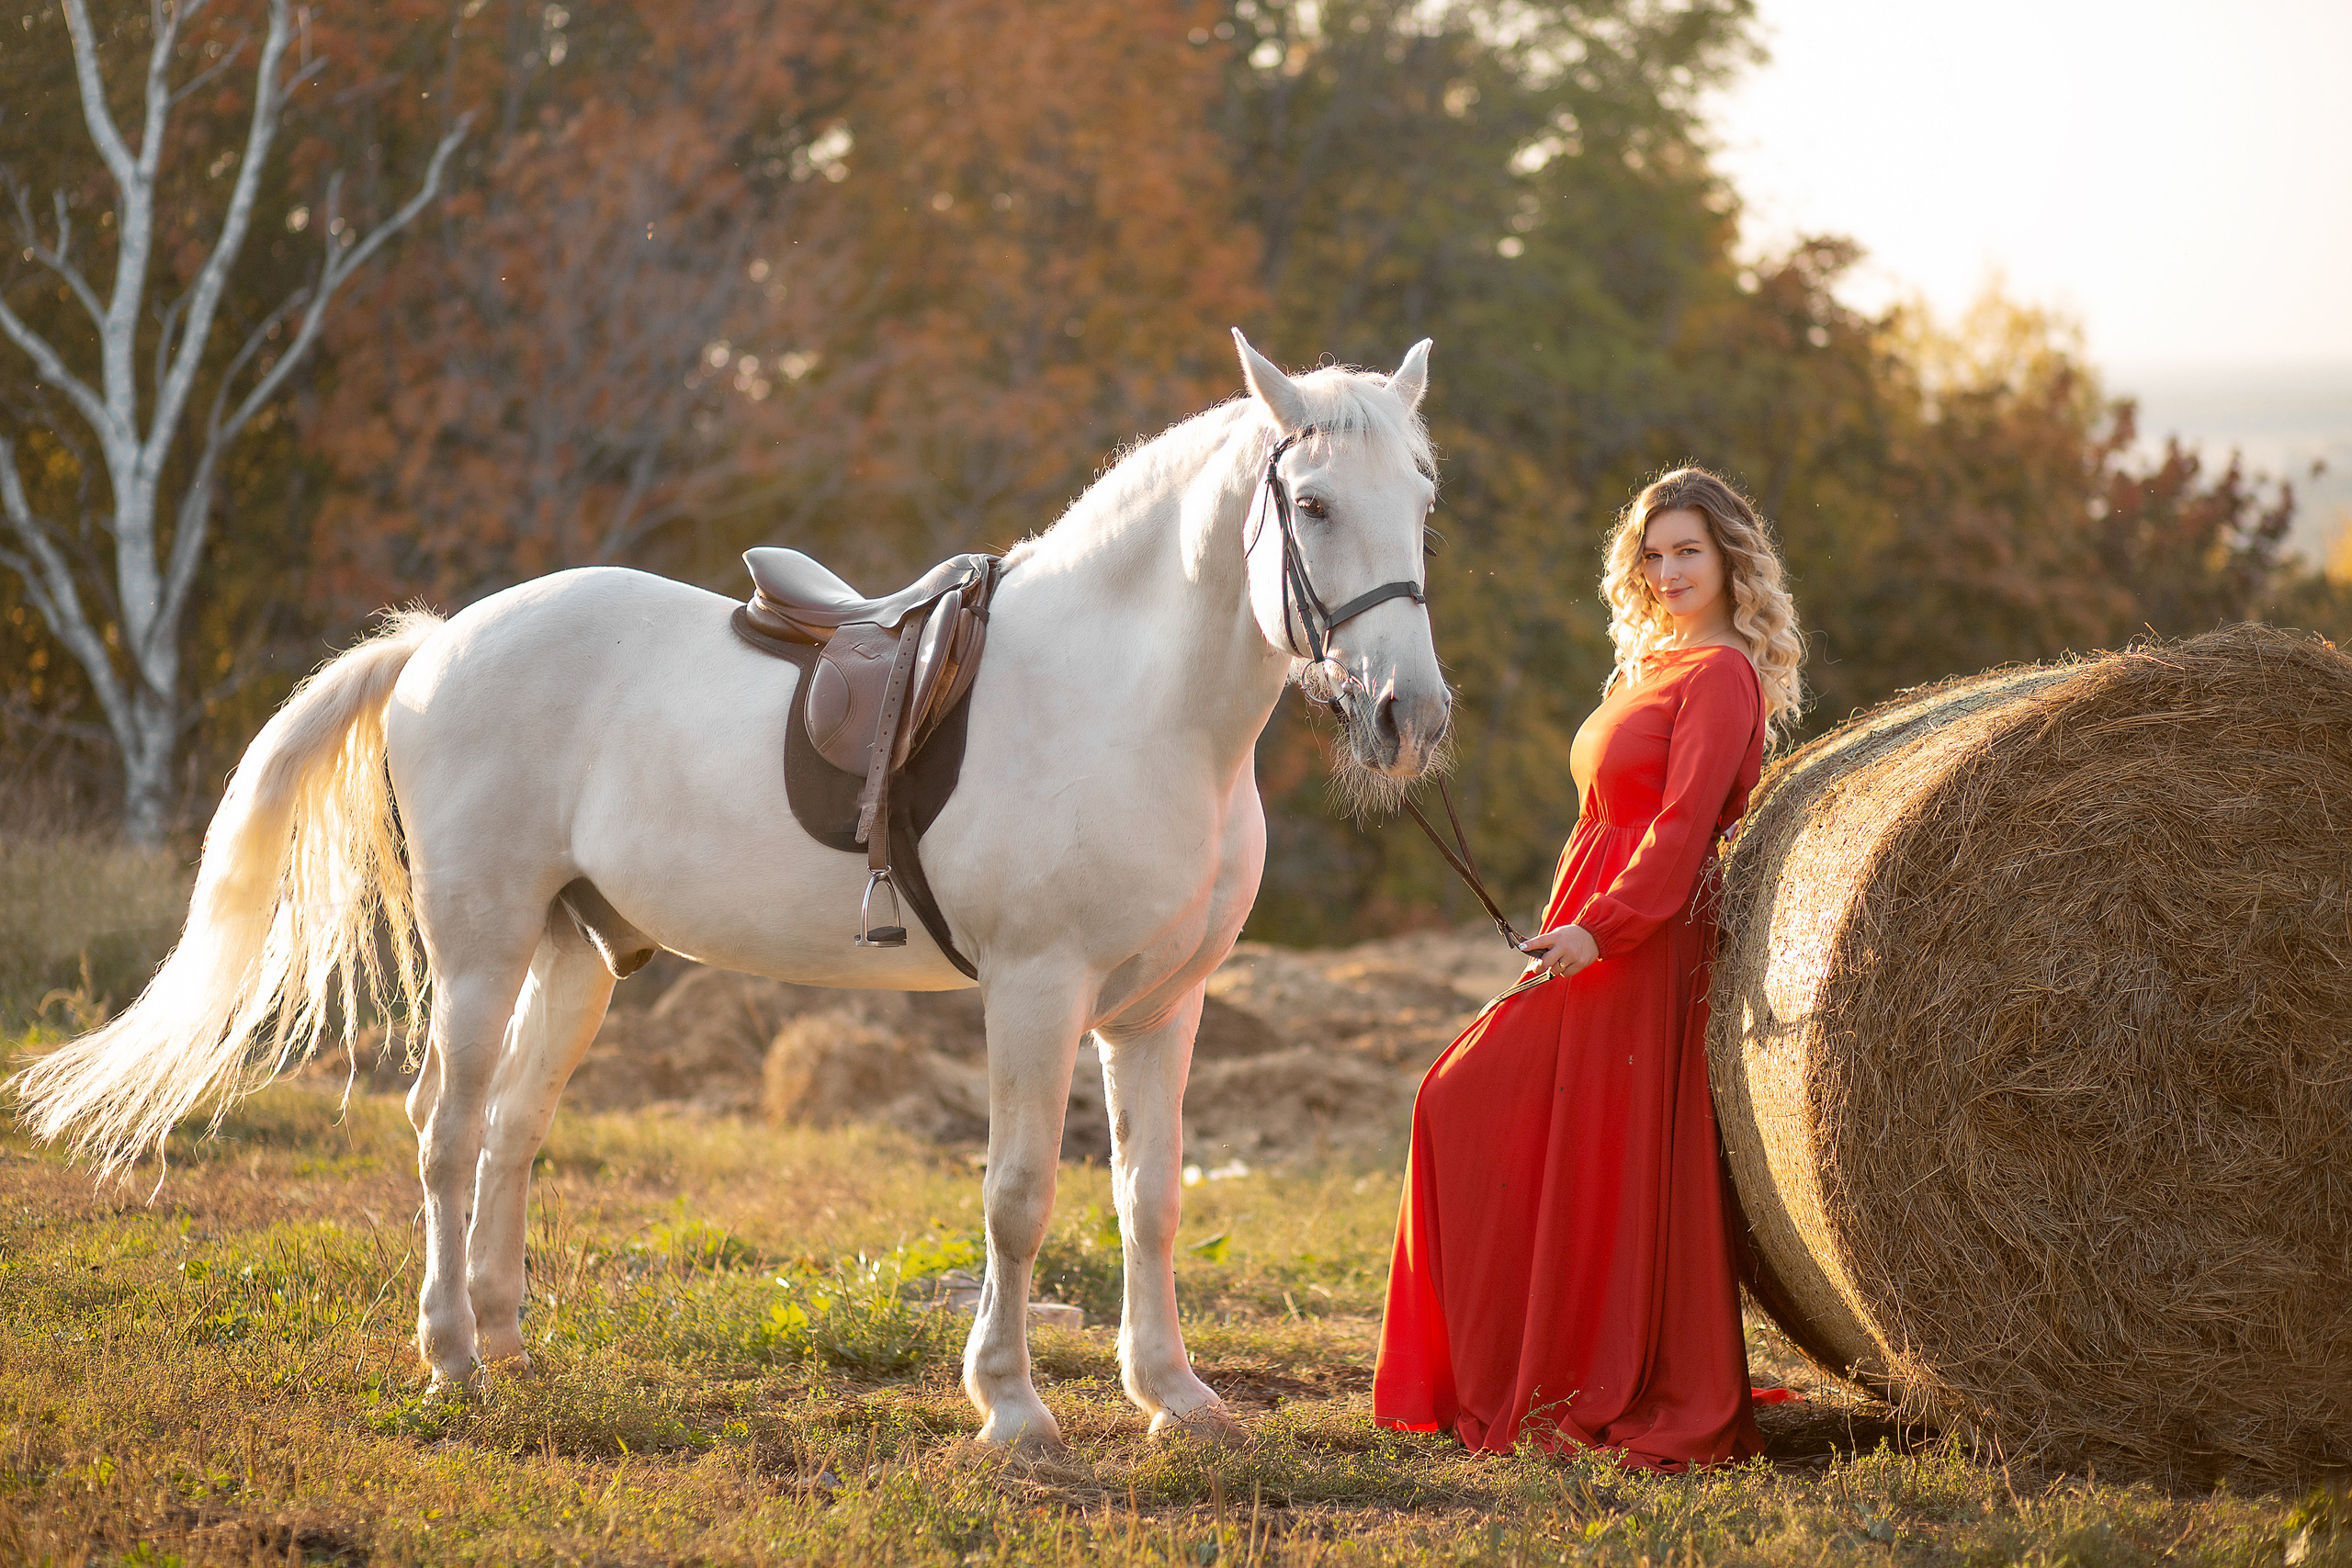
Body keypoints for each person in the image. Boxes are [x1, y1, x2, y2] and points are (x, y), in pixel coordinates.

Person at [1374, 467, 1805, 1470]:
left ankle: (1572, 1370)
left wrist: (1601, 929)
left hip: (1640, 946)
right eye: (1652, 555)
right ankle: (1512, 1361)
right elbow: (1604, 816)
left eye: (1687, 551)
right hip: (1591, 928)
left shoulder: (1720, 675)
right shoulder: (1650, 666)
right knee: (1490, 1112)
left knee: (1477, 1103)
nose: (1666, 571)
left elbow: (1682, 829)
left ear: (1730, 557)